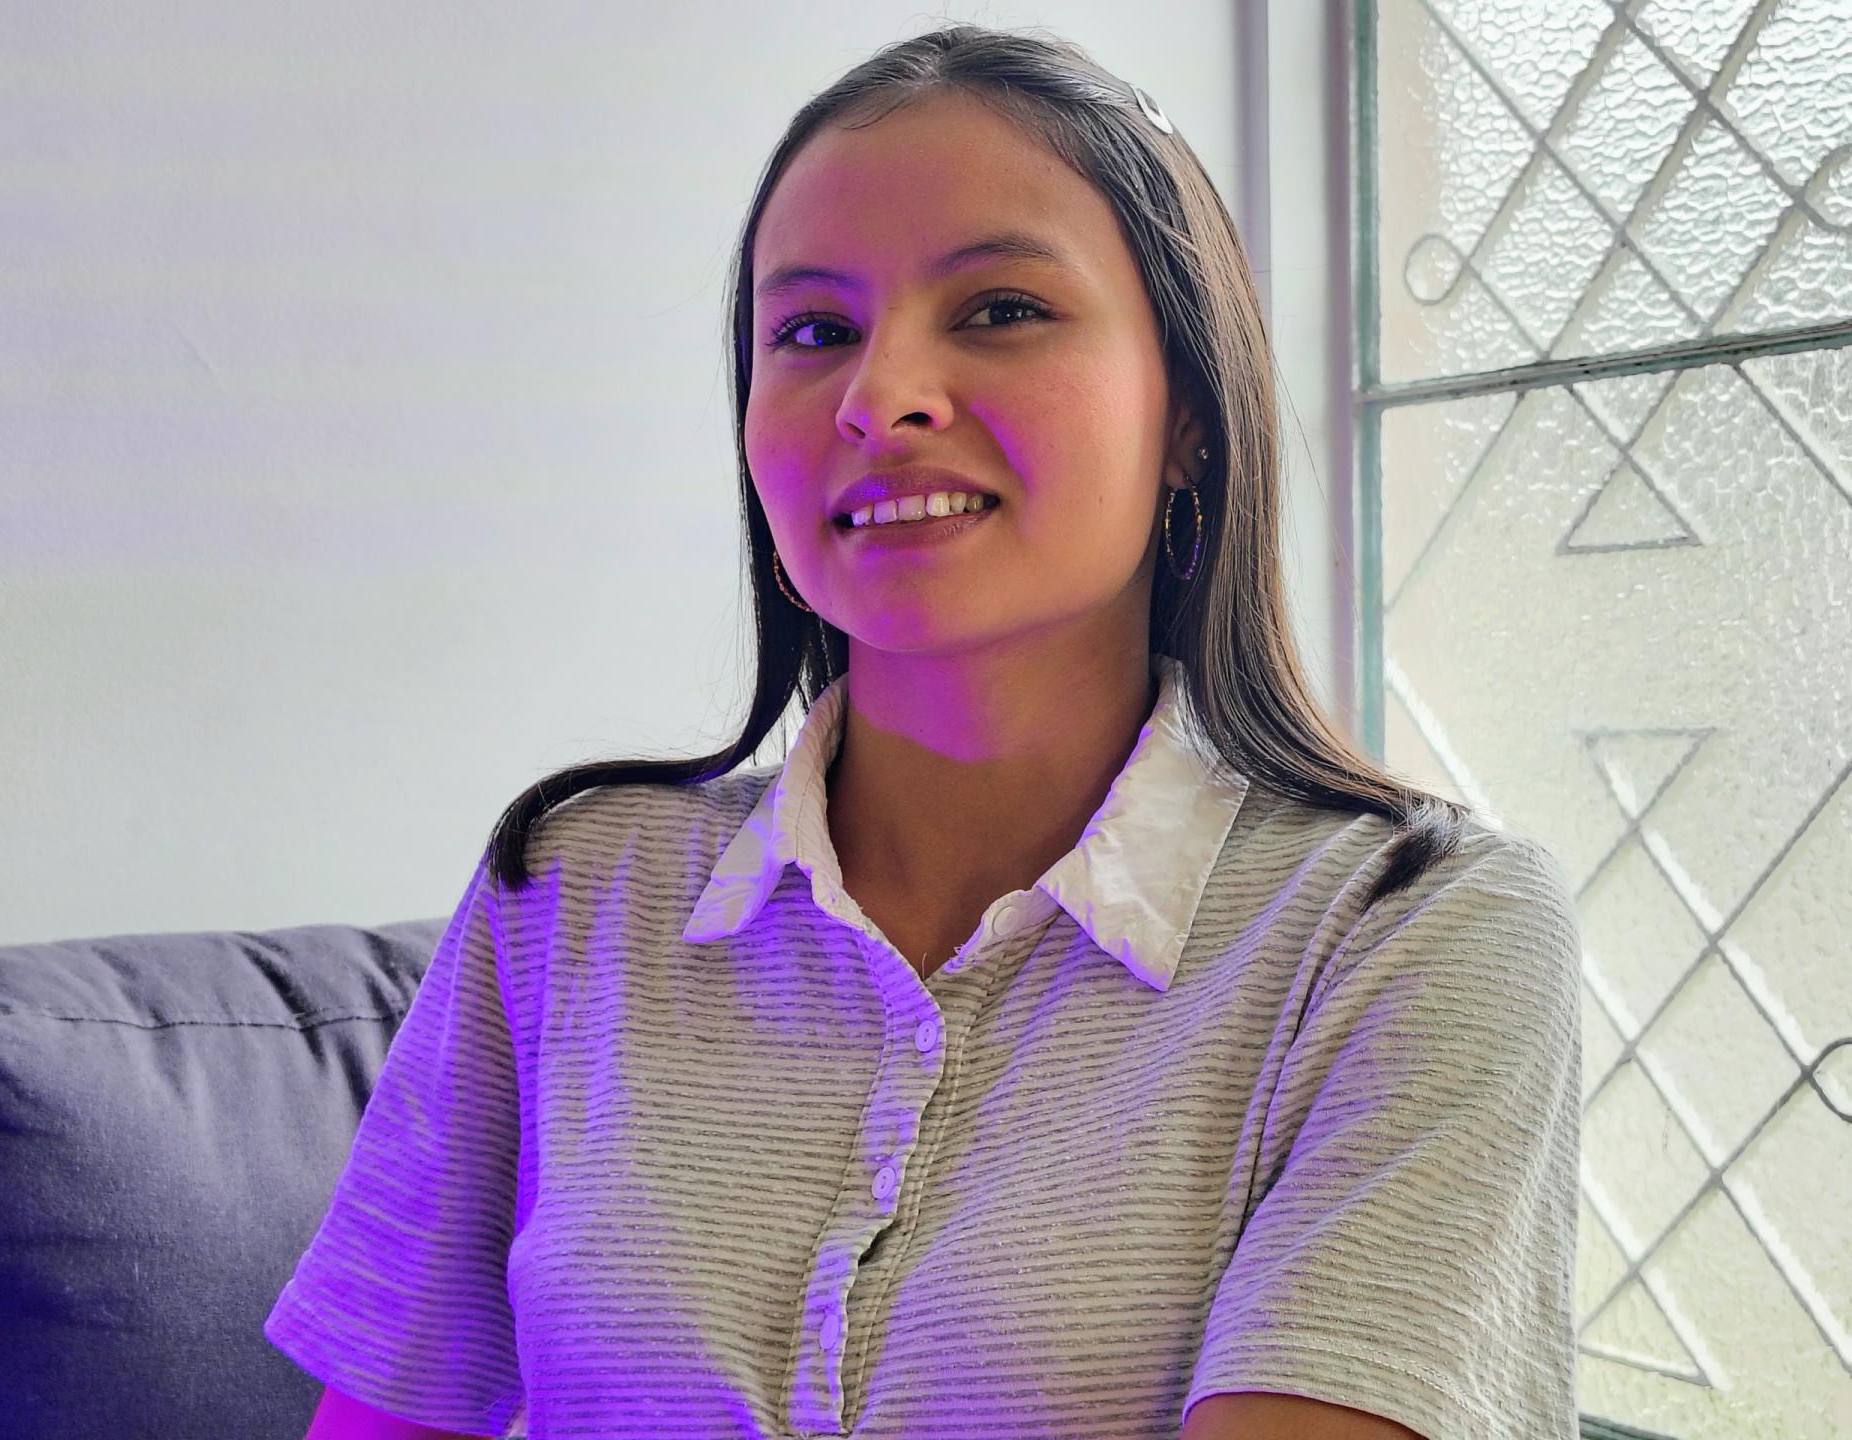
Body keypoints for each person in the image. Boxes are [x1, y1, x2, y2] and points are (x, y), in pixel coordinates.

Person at [265, 23, 1583, 1440]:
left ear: (1192, 416)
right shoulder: (573, 888)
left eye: (1001, 309)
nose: (877, 396)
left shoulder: (1411, 932)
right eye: (812, 332)